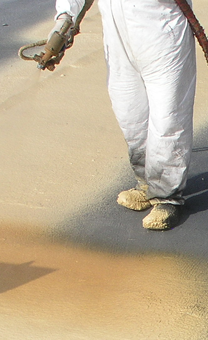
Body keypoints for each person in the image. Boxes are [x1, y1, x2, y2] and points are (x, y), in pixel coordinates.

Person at [52, 0, 197, 230]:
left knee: (167, 117)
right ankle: (146, 185)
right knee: (131, 115)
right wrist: (64, 21)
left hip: (162, 33)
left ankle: (167, 196)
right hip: (118, 38)